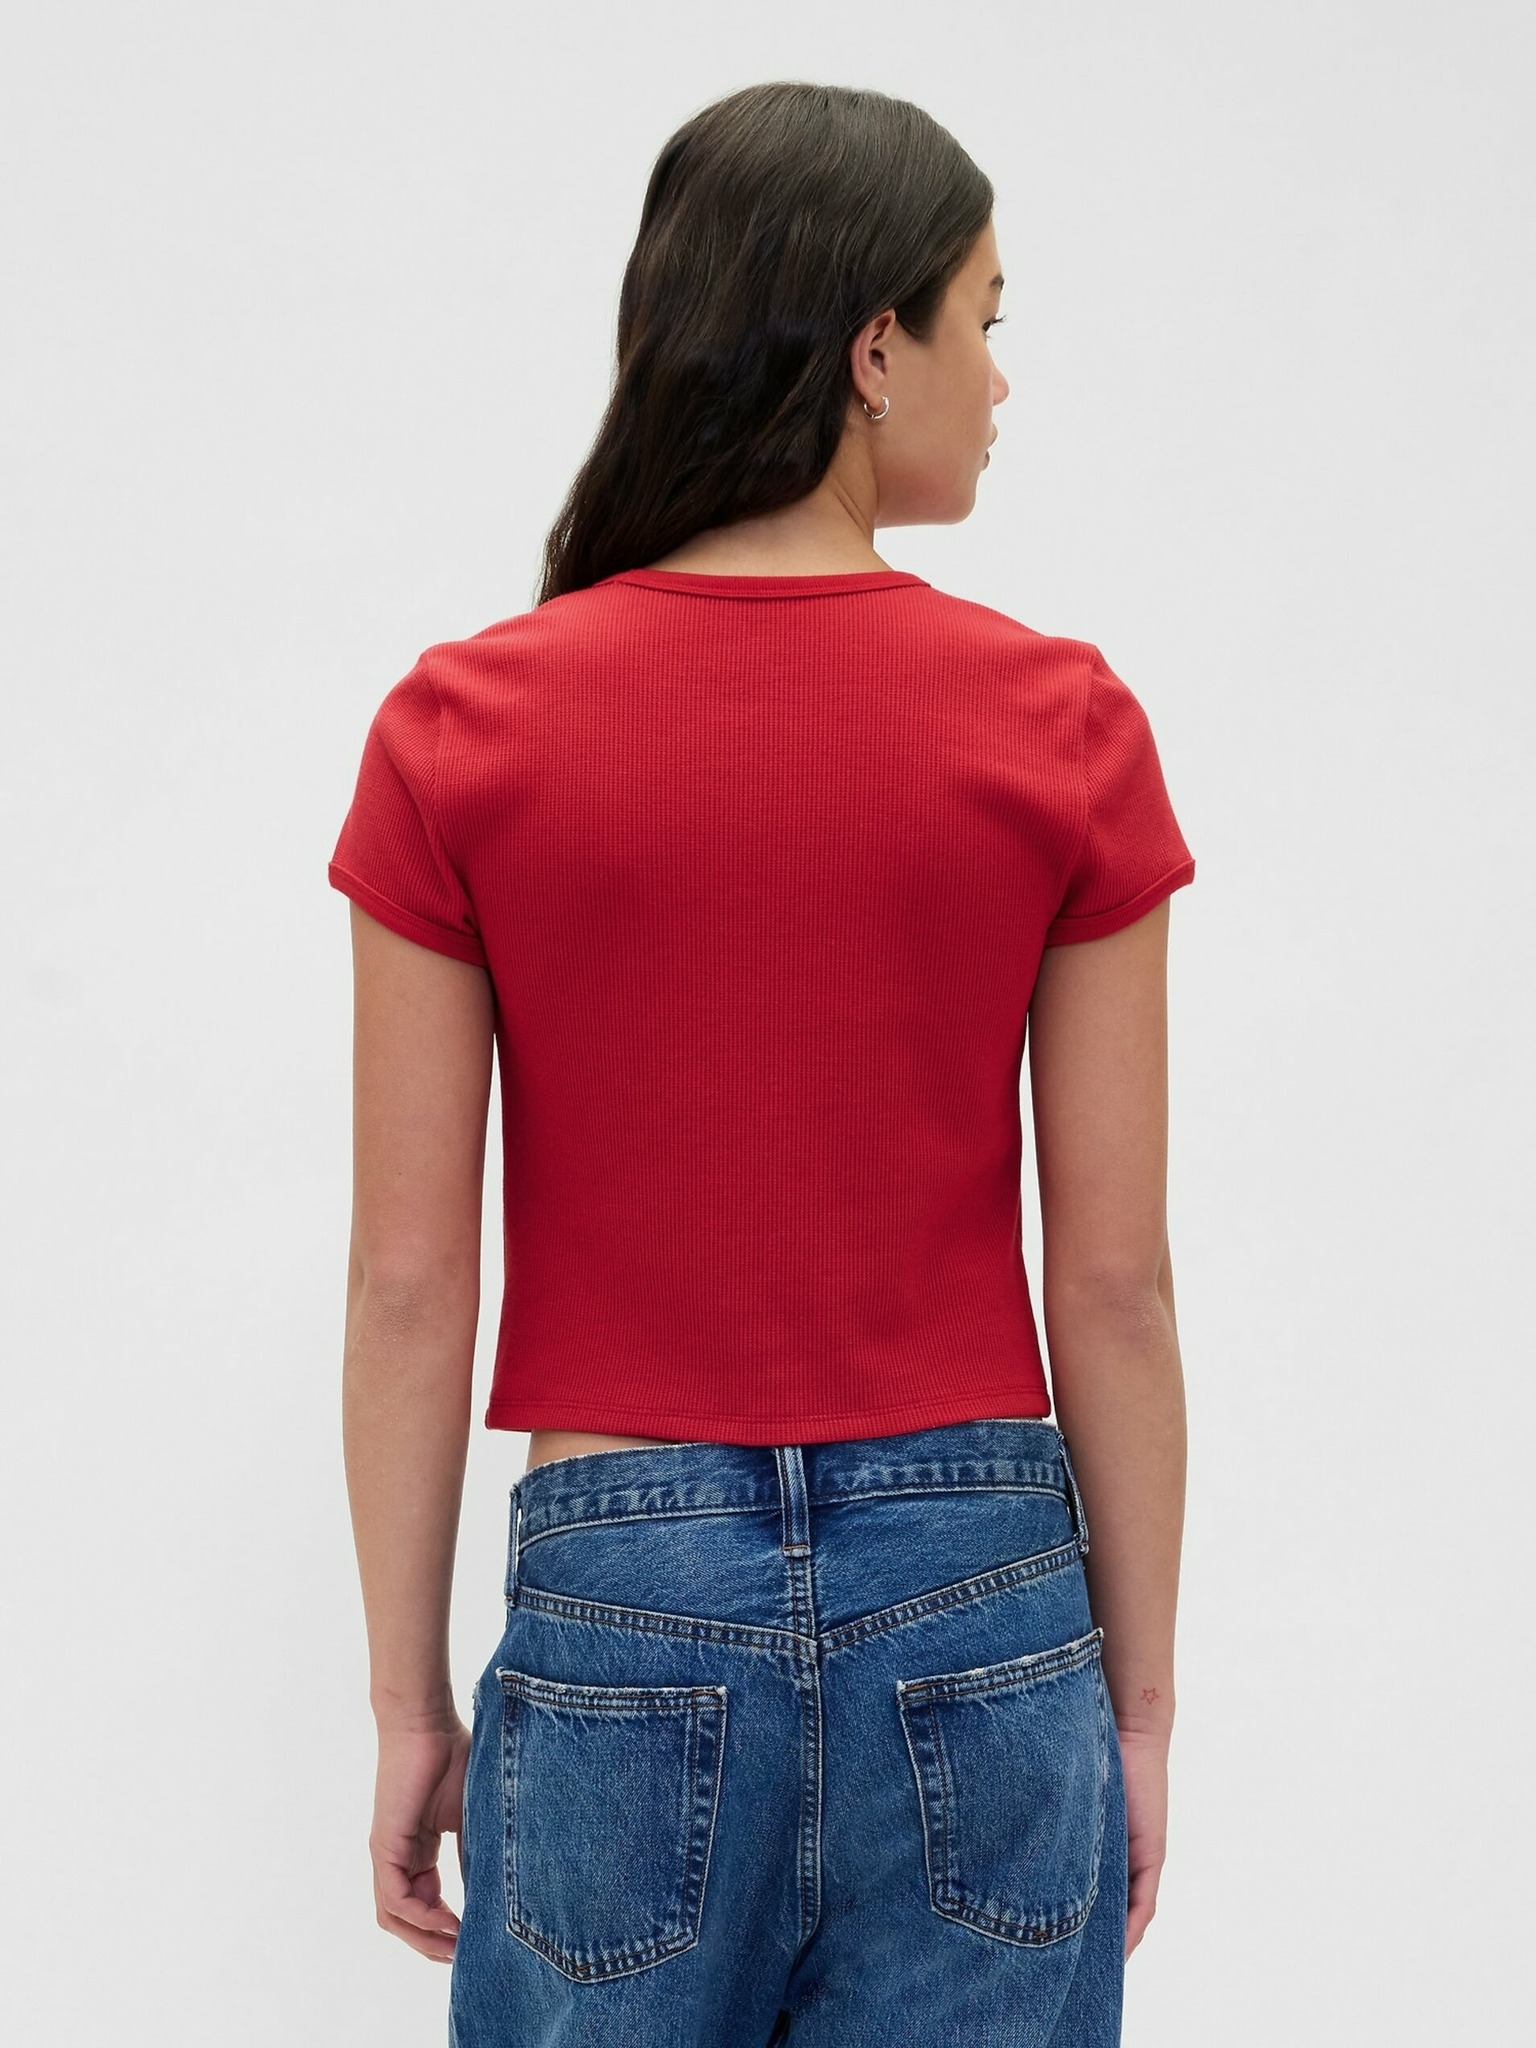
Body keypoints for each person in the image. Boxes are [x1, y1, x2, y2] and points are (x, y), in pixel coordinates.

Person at [328, 80, 1193, 2048]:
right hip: (984, 1599)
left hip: (622, 1588)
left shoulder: (462, 728)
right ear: (877, 350)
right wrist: (1135, 1710)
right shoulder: (1062, 724)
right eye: (984, 317)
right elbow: (1117, 1287)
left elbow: (406, 1282)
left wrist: (406, 1706)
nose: (1001, 377)